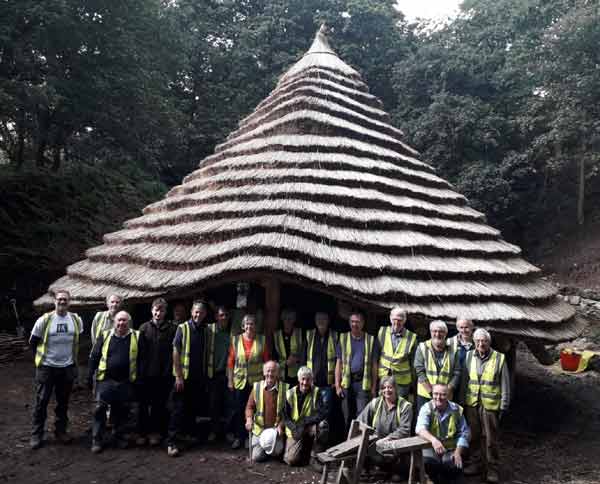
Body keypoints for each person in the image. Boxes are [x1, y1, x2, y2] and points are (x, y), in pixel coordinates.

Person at [29, 290, 84, 450]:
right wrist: (40, 361)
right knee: (42, 402)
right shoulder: (44, 320)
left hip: (66, 368)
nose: (62, 302)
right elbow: (33, 342)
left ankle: (60, 431)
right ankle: (36, 434)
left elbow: (77, 341)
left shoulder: (75, 320)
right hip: (47, 368)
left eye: (65, 300)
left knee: (63, 402)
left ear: (69, 302)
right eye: (59, 299)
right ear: (54, 301)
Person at [87, 310, 140, 453]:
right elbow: (95, 356)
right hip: (105, 380)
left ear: (129, 322)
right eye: (119, 320)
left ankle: (119, 437)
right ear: (114, 322)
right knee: (99, 409)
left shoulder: (136, 336)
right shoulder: (105, 335)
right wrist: (89, 375)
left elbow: (142, 358)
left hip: (126, 380)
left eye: (124, 320)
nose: (121, 323)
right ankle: (97, 440)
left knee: (122, 410)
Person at [462, 329, 510, 483]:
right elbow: (465, 380)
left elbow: (505, 384)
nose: (481, 344)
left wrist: (504, 405)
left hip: (490, 405)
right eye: (478, 341)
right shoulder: (469, 356)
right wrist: (463, 401)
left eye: (484, 341)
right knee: (474, 436)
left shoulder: (499, 358)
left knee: (490, 439)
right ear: (474, 342)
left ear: (489, 342)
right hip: (472, 403)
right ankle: (476, 464)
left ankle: (492, 469)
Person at [167, 301, 209, 457]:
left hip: (197, 378)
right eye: (196, 312)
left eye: (201, 312)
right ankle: (171, 442)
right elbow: (176, 351)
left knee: (191, 409)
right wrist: (178, 376)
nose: (198, 315)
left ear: (205, 314)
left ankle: (187, 437)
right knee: (177, 410)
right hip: (182, 378)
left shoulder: (204, 330)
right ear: (192, 312)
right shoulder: (182, 328)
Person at [137, 298, 177, 446]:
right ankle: (142, 433)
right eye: (156, 309)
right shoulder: (143, 328)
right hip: (146, 373)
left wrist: (170, 372)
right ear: (151, 310)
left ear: (165, 312)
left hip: (163, 374)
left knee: (158, 405)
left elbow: (173, 353)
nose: (158, 312)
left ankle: (155, 433)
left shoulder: (172, 329)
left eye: (161, 310)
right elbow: (139, 353)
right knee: (143, 405)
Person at [357, 376, 413, 482]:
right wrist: (368, 436)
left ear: (396, 389)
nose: (387, 390)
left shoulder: (405, 406)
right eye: (384, 387)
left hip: (396, 448)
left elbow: (405, 430)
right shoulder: (375, 403)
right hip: (376, 446)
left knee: (396, 478)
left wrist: (386, 440)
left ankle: (394, 472)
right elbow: (360, 421)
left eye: (390, 387)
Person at [227, 314, 270, 449]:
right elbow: (230, 362)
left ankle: (250, 438)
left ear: (256, 326)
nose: (249, 326)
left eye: (252, 324)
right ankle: (239, 437)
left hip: (256, 383)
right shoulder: (235, 340)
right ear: (243, 326)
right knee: (239, 410)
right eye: (247, 324)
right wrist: (230, 380)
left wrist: (266, 381)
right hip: (240, 382)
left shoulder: (262, 340)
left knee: (255, 410)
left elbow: (266, 361)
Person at [416, 383, 470, 484]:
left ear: (448, 395)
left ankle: (446, 477)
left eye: (442, 394)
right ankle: (431, 478)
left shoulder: (457, 409)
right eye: (435, 394)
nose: (438, 397)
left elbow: (464, 433)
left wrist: (458, 452)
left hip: (449, 449)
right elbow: (420, 428)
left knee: (454, 466)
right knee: (428, 463)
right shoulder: (426, 408)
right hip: (430, 448)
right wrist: (434, 440)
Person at [335, 311, 378, 430]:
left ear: (363, 323)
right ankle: (346, 442)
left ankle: (358, 443)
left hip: (363, 383)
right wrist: (338, 385)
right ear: (349, 323)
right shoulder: (343, 338)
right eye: (352, 322)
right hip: (347, 383)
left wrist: (374, 387)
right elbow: (339, 363)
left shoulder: (370, 340)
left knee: (361, 415)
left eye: (357, 322)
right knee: (347, 414)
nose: (355, 324)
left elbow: (374, 365)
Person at [283, 366, 329, 466]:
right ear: (299, 379)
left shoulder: (316, 392)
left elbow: (321, 413)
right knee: (291, 460)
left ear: (312, 380)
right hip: (295, 428)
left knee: (323, 425)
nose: (305, 382)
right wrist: (294, 428)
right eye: (303, 379)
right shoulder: (290, 394)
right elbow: (285, 417)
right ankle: (302, 451)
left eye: (308, 379)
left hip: (309, 426)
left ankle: (315, 457)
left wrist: (305, 422)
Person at [245, 361, 289, 462]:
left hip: (275, 431)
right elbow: (249, 407)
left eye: (273, 371)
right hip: (260, 430)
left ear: (277, 374)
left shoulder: (285, 389)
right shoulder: (257, 387)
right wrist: (249, 419)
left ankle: (272, 450)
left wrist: (281, 425)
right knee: (256, 457)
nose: (270, 374)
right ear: (264, 372)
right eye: (268, 371)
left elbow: (290, 413)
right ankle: (265, 449)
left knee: (277, 452)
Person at [414, 321, 461, 411]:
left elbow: (457, 372)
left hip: (445, 395)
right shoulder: (422, 347)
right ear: (430, 332)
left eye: (441, 331)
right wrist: (432, 392)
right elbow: (419, 371)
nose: (437, 334)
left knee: (443, 422)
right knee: (425, 421)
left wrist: (448, 390)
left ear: (446, 334)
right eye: (434, 331)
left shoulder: (454, 350)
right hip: (425, 394)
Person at [374, 307, 417, 399]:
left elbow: (414, 364)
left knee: (400, 406)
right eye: (394, 319)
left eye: (400, 320)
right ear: (390, 319)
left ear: (404, 320)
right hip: (384, 377)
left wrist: (413, 385)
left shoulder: (412, 337)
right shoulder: (382, 332)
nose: (397, 322)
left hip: (402, 381)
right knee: (384, 405)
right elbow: (375, 357)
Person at [206, 305, 233, 442]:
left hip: (227, 374)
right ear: (216, 316)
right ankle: (214, 431)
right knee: (213, 404)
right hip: (213, 373)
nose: (224, 318)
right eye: (221, 315)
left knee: (229, 404)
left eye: (226, 315)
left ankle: (228, 431)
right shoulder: (209, 330)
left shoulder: (232, 333)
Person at [305, 312, 337, 423]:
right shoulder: (309, 335)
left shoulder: (334, 335)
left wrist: (337, 380)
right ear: (315, 321)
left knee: (325, 413)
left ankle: (324, 436)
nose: (321, 322)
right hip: (312, 382)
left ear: (328, 321)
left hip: (328, 383)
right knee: (311, 411)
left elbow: (339, 359)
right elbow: (304, 357)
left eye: (324, 319)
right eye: (318, 319)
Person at [273, 309, 305, 386]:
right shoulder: (276, 335)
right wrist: (285, 363)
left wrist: (297, 358)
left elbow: (305, 353)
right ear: (282, 320)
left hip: (296, 375)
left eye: (290, 319)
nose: (287, 321)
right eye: (285, 319)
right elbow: (274, 356)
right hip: (281, 375)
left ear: (294, 320)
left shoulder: (301, 333)